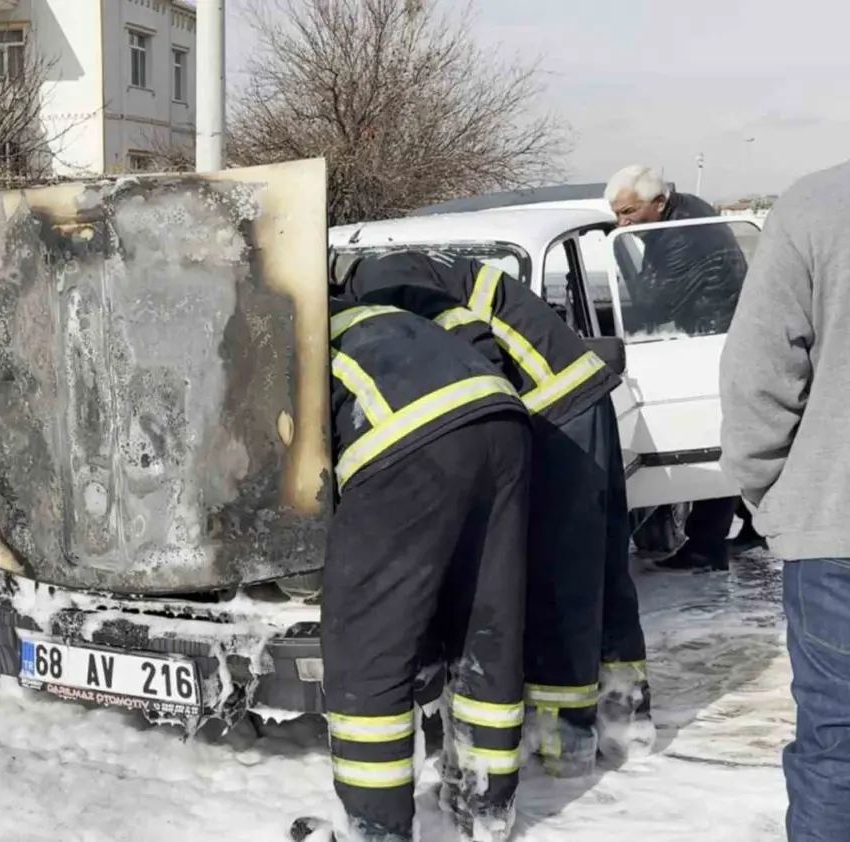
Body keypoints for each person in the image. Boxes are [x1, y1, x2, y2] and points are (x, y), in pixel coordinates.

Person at [338, 250, 653, 776]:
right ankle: (625, 721)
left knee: (557, 579)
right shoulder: (403, 265)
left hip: (550, 409)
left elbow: (462, 341)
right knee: (599, 568)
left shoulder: (377, 279)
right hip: (575, 393)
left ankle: (564, 744)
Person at [292, 299, 530, 842]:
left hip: (406, 435)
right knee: (483, 622)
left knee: (364, 653)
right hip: (500, 420)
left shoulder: (278, 334)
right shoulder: (371, 317)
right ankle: (486, 810)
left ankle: (376, 831)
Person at [720, 161, 850, 842]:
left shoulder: (818, 204)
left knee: (840, 751)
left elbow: (758, 376)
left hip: (838, 531)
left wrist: (769, 495)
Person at [607, 164, 748, 572]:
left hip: (708, 334)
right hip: (717, 332)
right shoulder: (683, 210)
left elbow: (654, 305)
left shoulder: (681, 237)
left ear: (657, 201)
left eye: (627, 212)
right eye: (617, 214)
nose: (622, 221)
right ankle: (751, 525)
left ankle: (707, 544)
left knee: (707, 447)